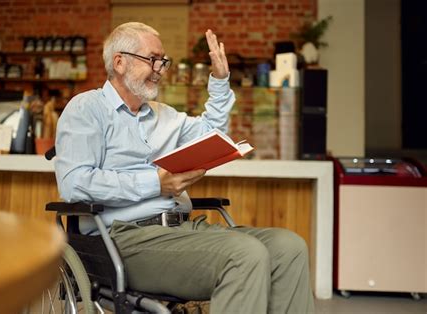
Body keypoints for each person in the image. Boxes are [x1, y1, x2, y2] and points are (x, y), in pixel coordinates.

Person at [55, 22, 314, 314]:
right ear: (119, 62)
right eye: (152, 59)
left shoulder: (164, 115)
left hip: (182, 229)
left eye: (163, 61)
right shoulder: (86, 109)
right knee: (244, 254)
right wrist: (157, 183)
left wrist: (219, 79)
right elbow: (74, 183)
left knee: (289, 247)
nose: (160, 69)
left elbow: (213, 134)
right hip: (123, 239)